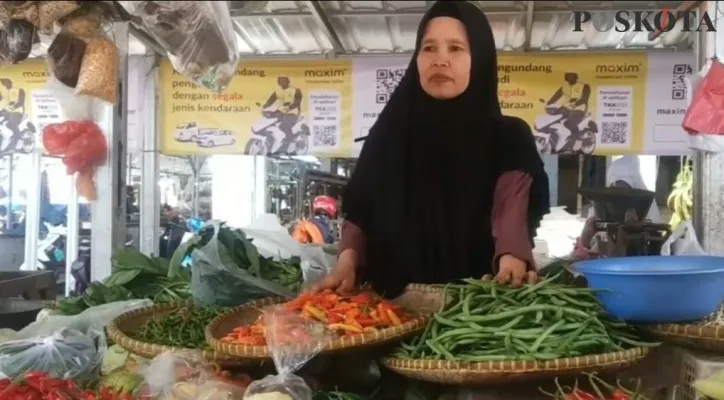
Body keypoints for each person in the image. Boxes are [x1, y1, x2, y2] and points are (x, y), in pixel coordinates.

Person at [312, 1, 551, 297]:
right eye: (429, 48)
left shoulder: (507, 136)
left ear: (480, 57)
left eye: (456, 48)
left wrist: (511, 259)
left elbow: (511, 208)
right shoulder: (386, 137)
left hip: (475, 309)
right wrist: (346, 265)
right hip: (392, 311)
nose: (440, 60)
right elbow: (362, 209)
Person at [575, 156, 661, 259]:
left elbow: (654, 245)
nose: (620, 201)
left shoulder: (648, 208)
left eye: (625, 191)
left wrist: (636, 230)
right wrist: (585, 237)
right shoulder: (600, 207)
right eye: (615, 189)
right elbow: (578, 256)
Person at [545, 72, 591, 145]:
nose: (570, 78)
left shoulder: (584, 86)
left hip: (580, 108)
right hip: (567, 107)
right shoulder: (564, 87)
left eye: (572, 76)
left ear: (576, 77)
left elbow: (585, 98)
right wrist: (549, 103)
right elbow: (556, 95)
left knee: (569, 121)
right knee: (554, 117)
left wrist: (576, 104)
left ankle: (576, 137)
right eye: (568, 76)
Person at [262, 76, 303, 150]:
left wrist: (289, 108)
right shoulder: (277, 91)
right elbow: (271, 100)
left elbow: (297, 102)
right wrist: (265, 106)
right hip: (280, 111)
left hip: (293, 112)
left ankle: (289, 140)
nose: (283, 82)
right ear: (278, 82)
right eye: (281, 81)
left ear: (288, 82)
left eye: (285, 81)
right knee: (268, 122)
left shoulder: (295, 90)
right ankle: (274, 140)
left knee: (284, 126)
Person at [0, 79, 26, 144]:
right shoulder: (9, 92)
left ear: (10, 83)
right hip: (10, 111)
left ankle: (19, 139)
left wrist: (10, 108)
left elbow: (21, 102)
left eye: (6, 83)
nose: (5, 85)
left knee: (11, 122)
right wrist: (4, 110)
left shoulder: (20, 90)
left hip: (18, 111)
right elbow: (10, 103)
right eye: (4, 84)